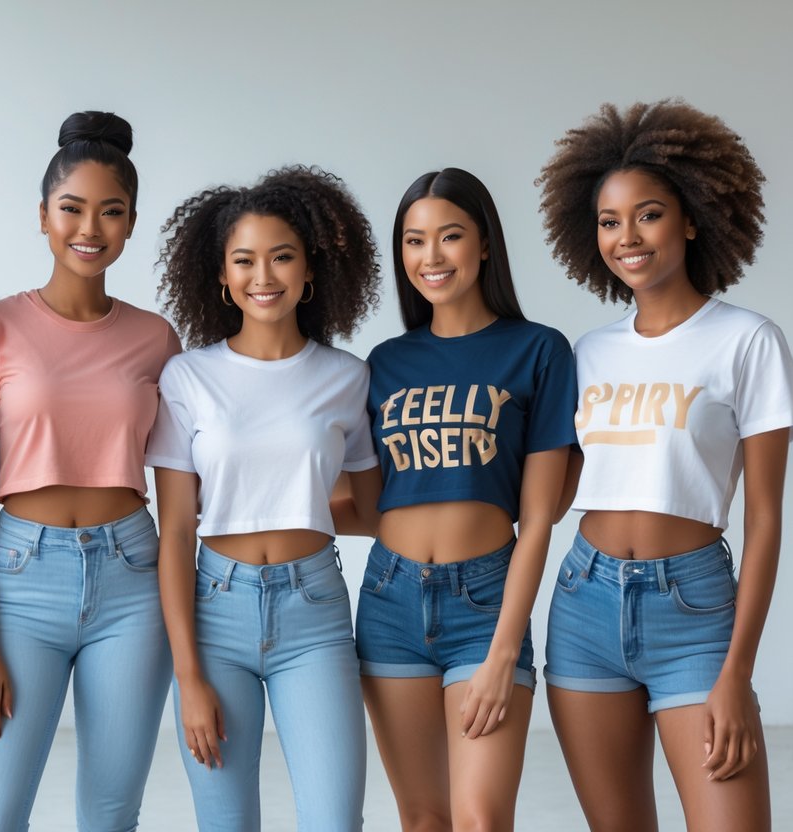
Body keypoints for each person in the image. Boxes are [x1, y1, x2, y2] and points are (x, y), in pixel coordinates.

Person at [537, 100, 792, 832]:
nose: (626, 237)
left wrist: (736, 673)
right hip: (583, 601)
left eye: (646, 215)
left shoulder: (747, 341)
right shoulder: (587, 352)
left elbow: (766, 516)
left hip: (695, 613)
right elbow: (552, 500)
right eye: (609, 222)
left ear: (690, 219)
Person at [0, 111, 180, 831]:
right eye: (72, 208)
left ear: (132, 223)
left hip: (131, 580)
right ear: (43, 217)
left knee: (111, 813)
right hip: (21, 577)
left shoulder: (155, 338)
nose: (90, 227)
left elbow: (180, 493)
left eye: (110, 212)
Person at [148, 165, 382, 831]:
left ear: (310, 272)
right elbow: (173, 534)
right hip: (214, 616)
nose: (264, 276)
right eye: (244, 260)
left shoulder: (345, 378)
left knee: (334, 820)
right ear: (220, 277)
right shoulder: (187, 377)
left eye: (282, 257)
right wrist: (188, 675)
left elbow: (369, 509)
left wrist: (296, 512)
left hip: (314, 614)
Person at [356, 168, 575, 830]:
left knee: (480, 818)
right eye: (413, 241)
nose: (430, 257)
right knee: (423, 818)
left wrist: (505, 649)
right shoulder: (383, 362)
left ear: (483, 244)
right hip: (388, 599)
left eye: (448, 236)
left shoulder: (537, 351)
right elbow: (370, 501)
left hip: (485, 604)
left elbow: (537, 518)